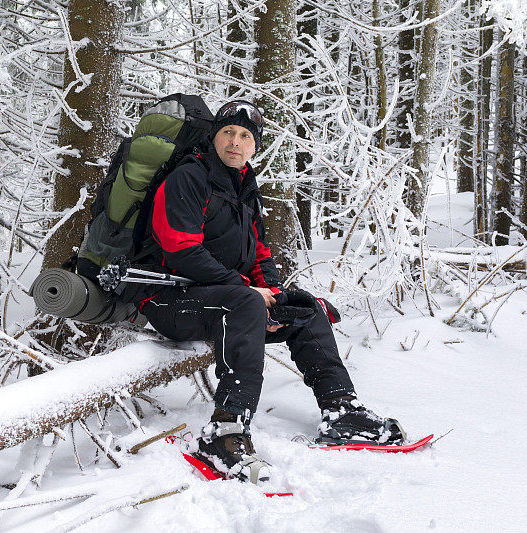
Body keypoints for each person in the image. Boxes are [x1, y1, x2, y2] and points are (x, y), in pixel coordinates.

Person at [140, 100, 403, 484]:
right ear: (214, 136)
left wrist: (274, 296)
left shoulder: (244, 186)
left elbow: (260, 253)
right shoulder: (189, 177)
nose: (235, 141)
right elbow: (180, 249)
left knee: (304, 307)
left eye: (245, 136)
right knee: (248, 300)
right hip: (169, 299)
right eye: (227, 132)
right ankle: (225, 431)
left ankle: (342, 411)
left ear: (254, 146)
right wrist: (248, 292)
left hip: (225, 303)